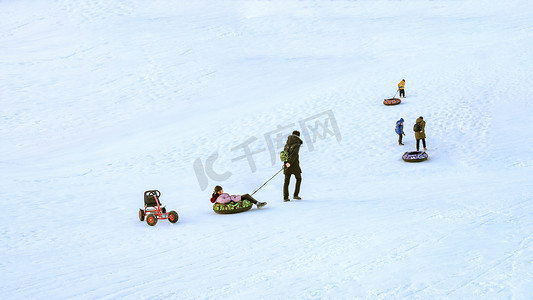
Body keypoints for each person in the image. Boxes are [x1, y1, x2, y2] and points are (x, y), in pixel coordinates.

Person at [282, 130, 303, 202]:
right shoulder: (297, 143)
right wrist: (290, 163)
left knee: (286, 181)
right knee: (299, 178)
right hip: (294, 165)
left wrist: (286, 163)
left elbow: (284, 154)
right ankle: (295, 195)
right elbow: (294, 154)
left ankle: (285, 197)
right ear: (298, 136)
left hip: (287, 165)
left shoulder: (287, 144)